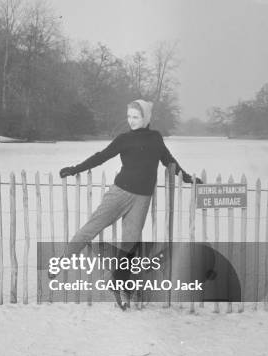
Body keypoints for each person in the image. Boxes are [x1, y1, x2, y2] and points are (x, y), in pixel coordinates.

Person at [59, 99, 202, 307]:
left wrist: (187, 178)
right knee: (92, 227)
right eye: (129, 117)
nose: (131, 121)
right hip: (119, 193)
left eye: (136, 117)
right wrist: (74, 169)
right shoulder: (124, 139)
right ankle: (64, 259)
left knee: (130, 245)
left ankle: (120, 285)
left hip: (142, 199)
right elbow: (101, 157)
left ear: (146, 118)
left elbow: (169, 161)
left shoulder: (156, 138)